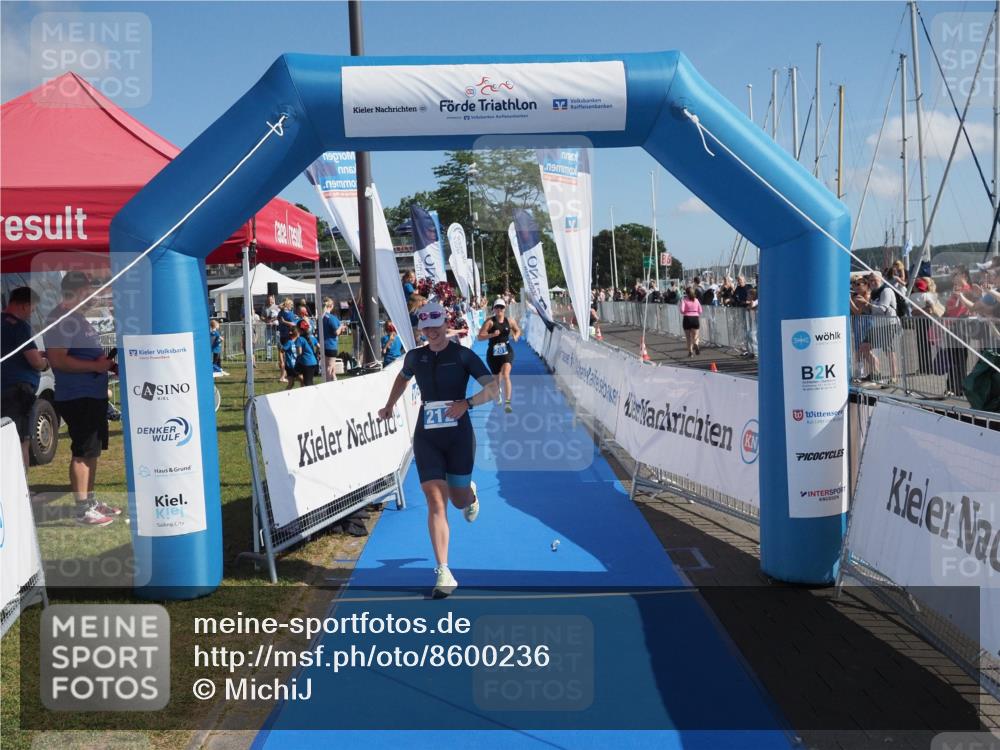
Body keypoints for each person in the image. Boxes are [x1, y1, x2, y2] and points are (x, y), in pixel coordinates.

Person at [377, 302, 497, 598]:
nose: (431, 333)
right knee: (435, 499)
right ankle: (443, 570)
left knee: (457, 501)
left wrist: (466, 404)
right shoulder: (415, 357)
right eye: (425, 328)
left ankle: (469, 492)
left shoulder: (462, 355)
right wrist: (390, 405)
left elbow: (493, 388)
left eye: (436, 327)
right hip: (427, 435)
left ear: (446, 325)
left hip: (458, 435)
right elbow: (402, 379)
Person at [44, 272, 120, 526]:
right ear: (76, 291)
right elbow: (58, 360)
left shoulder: (78, 318)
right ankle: (82, 509)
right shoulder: (61, 318)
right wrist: (95, 367)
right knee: (82, 452)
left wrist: (105, 365)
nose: (93, 297)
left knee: (92, 451)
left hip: (92, 394)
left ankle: (91, 502)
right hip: (77, 396)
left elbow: (85, 356)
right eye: (89, 292)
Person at [1, 287, 49, 471]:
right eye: (33, 308)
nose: (32, 312)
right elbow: (35, 362)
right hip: (16, 392)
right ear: (24, 305)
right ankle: (22, 491)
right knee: (21, 441)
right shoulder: (19, 326)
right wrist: (45, 363)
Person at [478, 298, 521, 412]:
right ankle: (497, 394)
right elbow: (480, 336)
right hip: (493, 352)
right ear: (493, 309)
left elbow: (517, 330)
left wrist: (516, 336)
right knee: (497, 379)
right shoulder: (490, 322)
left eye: (501, 307)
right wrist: (491, 335)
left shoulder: (510, 321)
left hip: (507, 350)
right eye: (497, 307)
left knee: (506, 375)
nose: (499, 309)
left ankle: (507, 402)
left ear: (504, 308)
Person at [860, 271, 900, 384]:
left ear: (881, 279)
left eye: (875, 280)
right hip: (877, 325)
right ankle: (876, 373)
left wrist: (867, 304)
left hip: (889, 324)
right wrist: (862, 306)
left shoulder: (886, 290)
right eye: (871, 280)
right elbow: (872, 310)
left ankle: (894, 377)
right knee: (864, 347)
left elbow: (883, 309)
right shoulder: (873, 292)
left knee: (888, 350)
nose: (872, 282)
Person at [321, 298, 346, 381]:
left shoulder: (322, 317)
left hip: (323, 344)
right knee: (330, 366)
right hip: (331, 345)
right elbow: (336, 332)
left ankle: (334, 378)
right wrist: (341, 327)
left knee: (330, 365)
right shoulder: (331, 318)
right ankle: (327, 382)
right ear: (331, 306)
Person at [277, 299, 299, 383]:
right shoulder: (290, 314)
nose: (292, 306)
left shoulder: (280, 313)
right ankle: (284, 375)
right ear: (288, 305)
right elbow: (294, 324)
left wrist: (283, 322)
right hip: (288, 337)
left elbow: (279, 320)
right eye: (291, 305)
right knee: (288, 357)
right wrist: (285, 322)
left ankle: (283, 375)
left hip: (282, 336)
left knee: (282, 357)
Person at [295, 319, 320, 387]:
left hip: (306, 363)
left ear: (298, 329)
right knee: (309, 381)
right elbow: (319, 346)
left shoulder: (300, 339)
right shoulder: (312, 337)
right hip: (313, 362)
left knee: (308, 384)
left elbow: (299, 353)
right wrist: (316, 353)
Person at [680, 286, 703, 356]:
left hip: (687, 318)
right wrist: (695, 313)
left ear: (686, 293)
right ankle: (696, 343)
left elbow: (682, 310)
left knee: (688, 337)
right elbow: (701, 311)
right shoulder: (696, 300)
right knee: (696, 335)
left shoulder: (684, 300)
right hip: (695, 318)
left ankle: (690, 352)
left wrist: (686, 312)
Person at [264, 294, 280, 359]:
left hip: (276, 328)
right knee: (268, 342)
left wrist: (273, 320)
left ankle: (280, 355)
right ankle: (268, 357)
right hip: (268, 328)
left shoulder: (277, 307)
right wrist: (266, 320)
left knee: (278, 342)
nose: (269, 301)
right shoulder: (265, 308)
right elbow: (262, 316)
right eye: (268, 300)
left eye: (270, 300)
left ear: (273, 300)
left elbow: (279, 316)